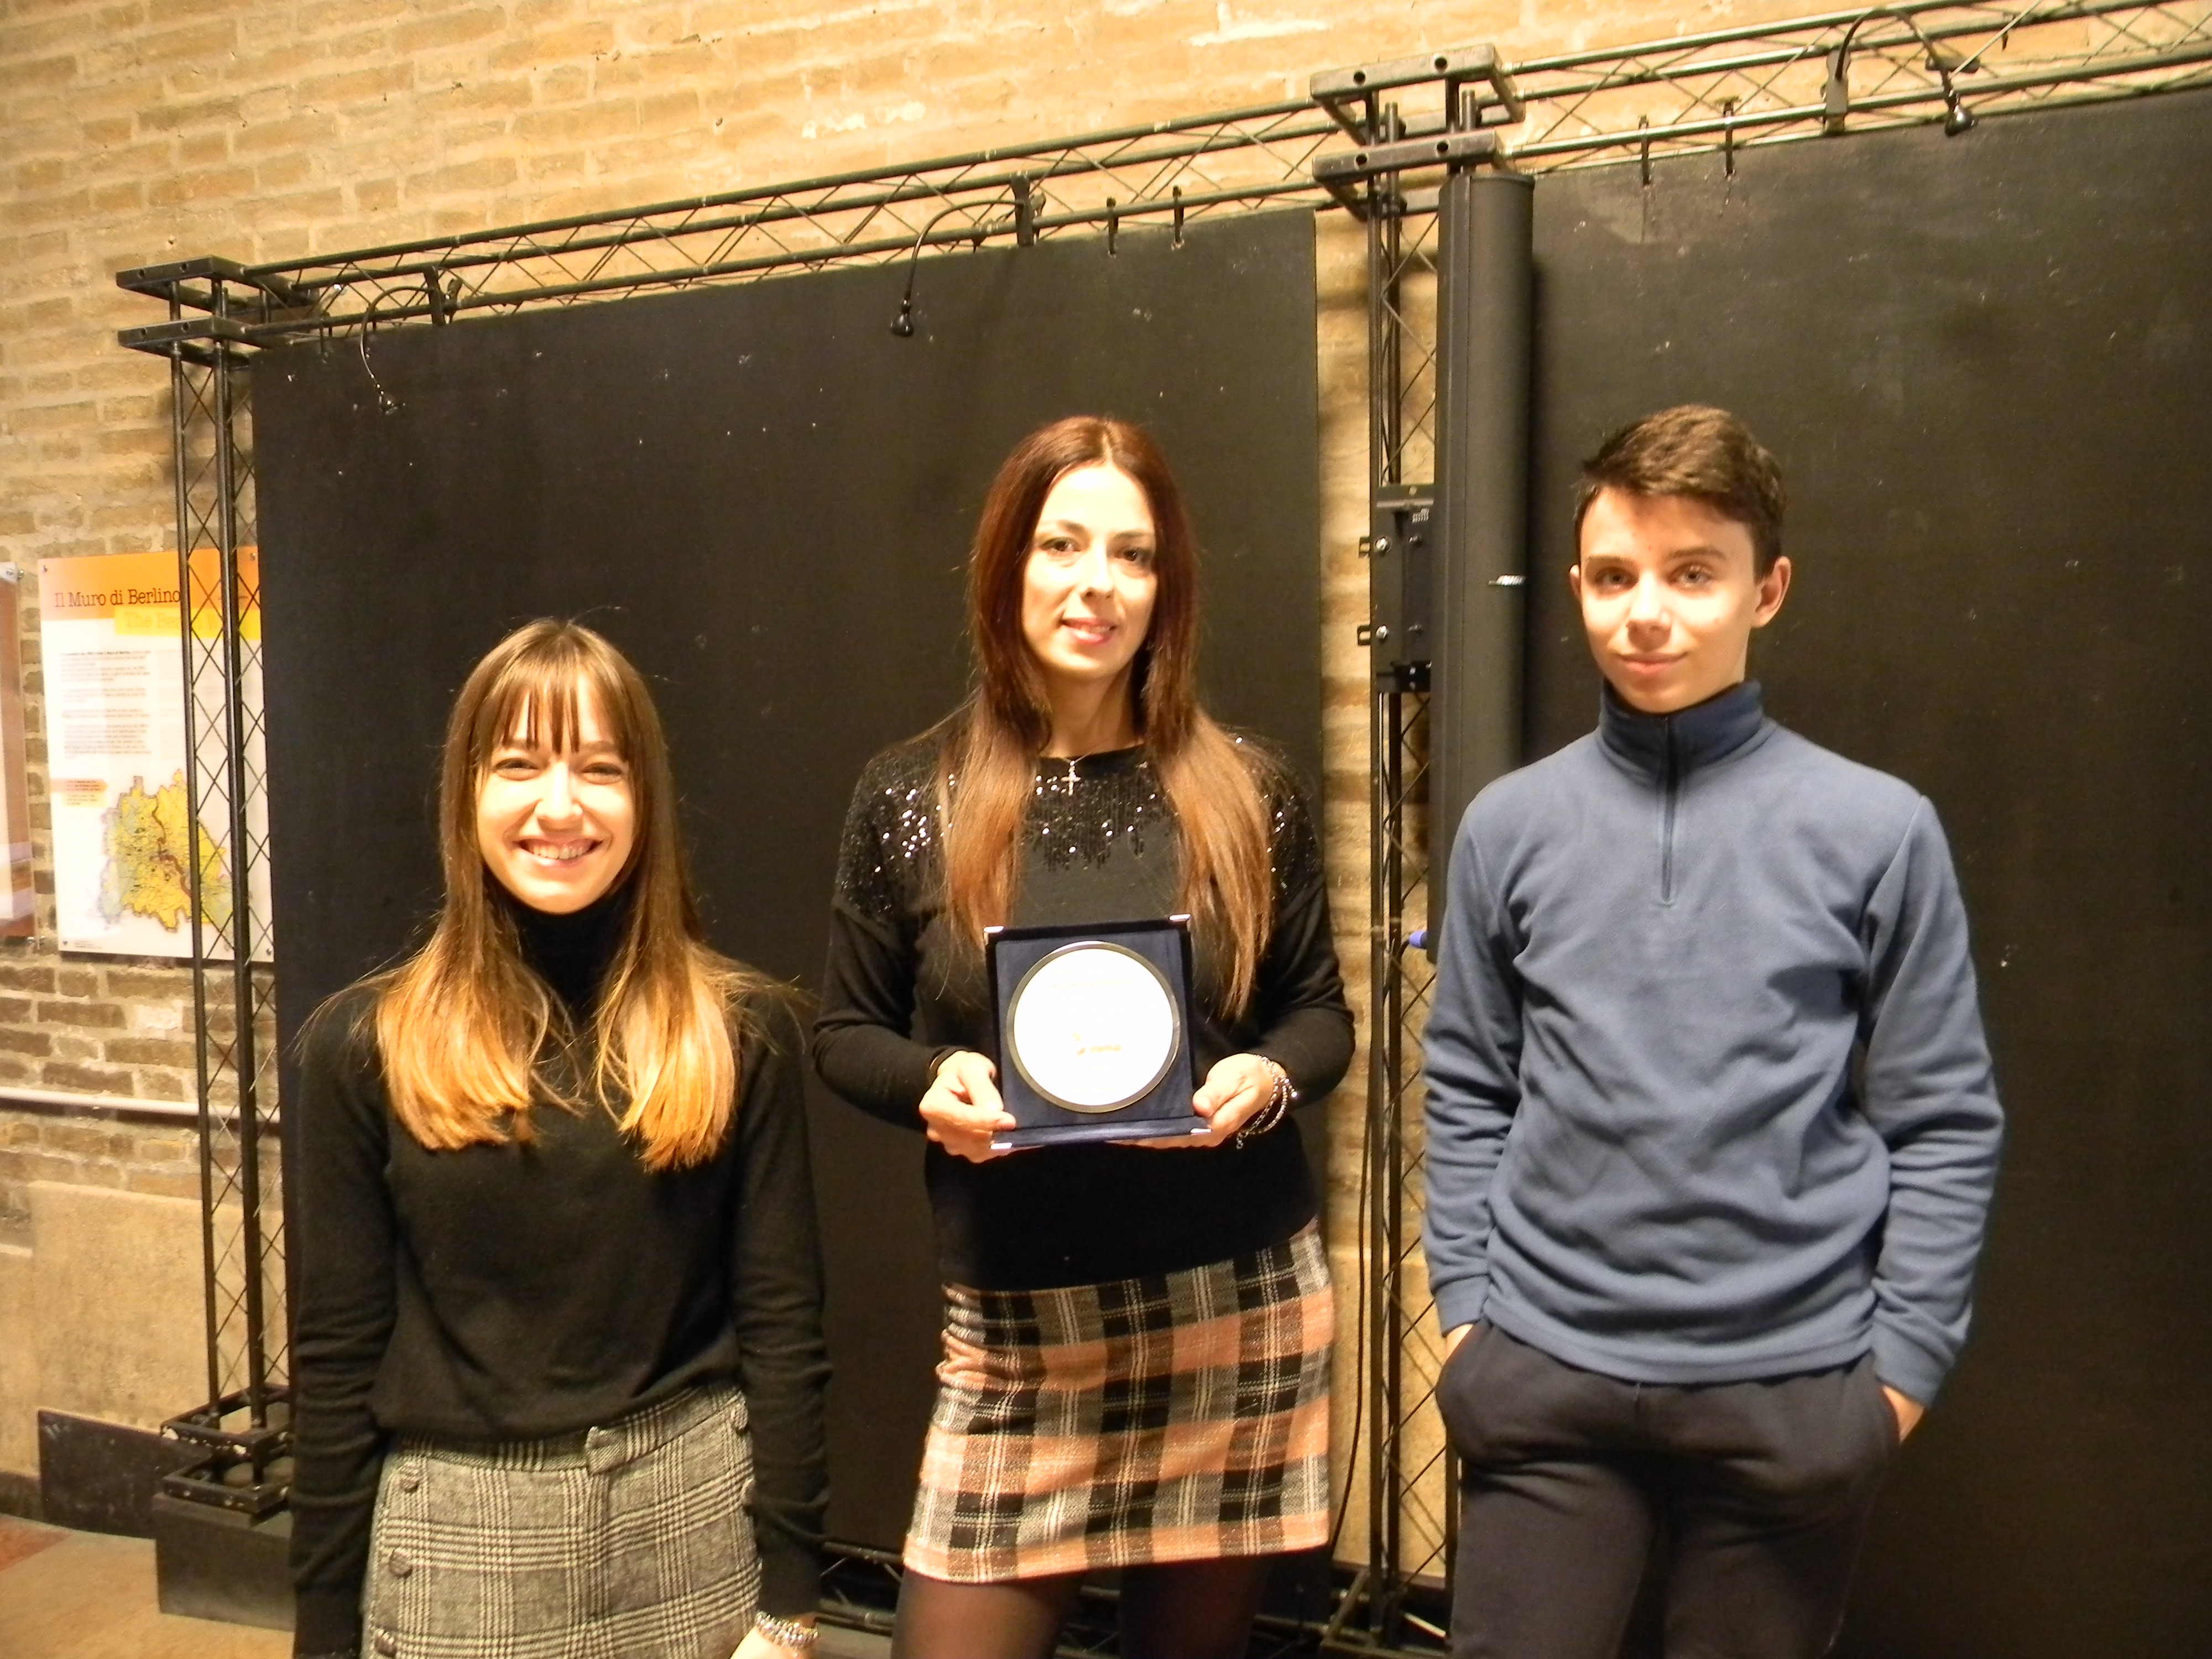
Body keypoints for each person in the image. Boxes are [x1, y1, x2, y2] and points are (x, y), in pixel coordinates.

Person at [1422, 405, 2005, 1659]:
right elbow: (1467, 1082)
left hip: (1792, 1390)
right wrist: (1466, 1316)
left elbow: (1944, 1120)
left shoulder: (1877, 829)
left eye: (1693, 575)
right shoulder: (1507, 827)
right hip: (1543, 1377)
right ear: (1577, 586)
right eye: (1615, 576)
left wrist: (1895, 1378)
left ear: (1766, 590)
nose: (1647, 613)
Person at [812, 416, 1354, 1659]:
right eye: (1061, 545)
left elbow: (1319, 1014)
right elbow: (843, 1032)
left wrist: (1266, 1077)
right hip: (1018, 1334)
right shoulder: (910, 795)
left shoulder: (1246, 790)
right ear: (1008, 563)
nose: (1095, 582)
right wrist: (930, 1082)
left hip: (1234, 1310)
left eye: (1132, 553)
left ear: (1167, 587)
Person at [288, 620, 829, 1659]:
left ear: (645, 799)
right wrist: (322, 1634)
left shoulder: (738, 1032)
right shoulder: (365, 1046)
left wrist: (790, 1606)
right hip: (459, 1557)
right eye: (520, 765)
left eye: (599, 768)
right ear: (467, 794)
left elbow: (784, 1331)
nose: (561, 805)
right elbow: (337, 1360)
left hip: (692, 1537)